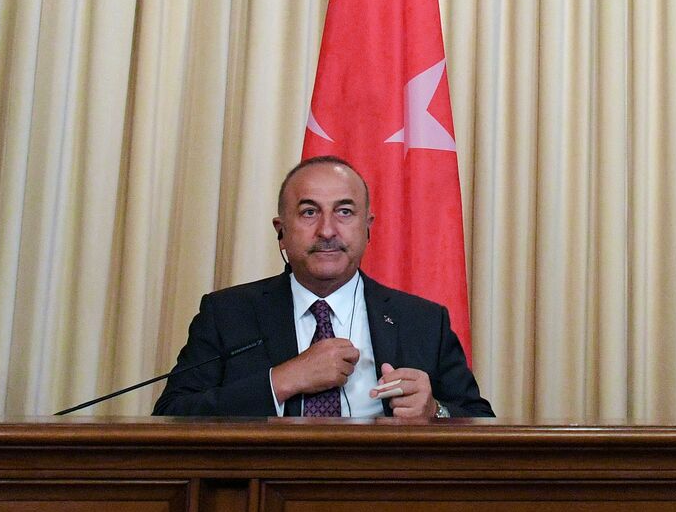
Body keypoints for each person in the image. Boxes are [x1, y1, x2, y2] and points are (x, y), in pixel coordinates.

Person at [154, 156, 492, 418]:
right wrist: (281, 381)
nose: (327, 230)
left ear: (367, 227)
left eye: (344, 212)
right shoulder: (227, 314)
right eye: (308, 212)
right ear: (281, 231)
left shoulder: (422, 321)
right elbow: (171, 415)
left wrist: (434, 410)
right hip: (263, 495)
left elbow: (481, 423)